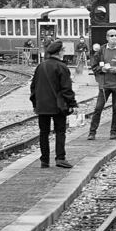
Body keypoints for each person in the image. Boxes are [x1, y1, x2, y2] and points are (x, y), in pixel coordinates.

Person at [32, 37, 77, 169]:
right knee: (60, 131)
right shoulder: (62, 67)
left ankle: (44, 160)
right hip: (57, 106)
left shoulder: (41, 66)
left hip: (42, 106)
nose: (64, 52)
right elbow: (66, 88)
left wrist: (35, 103)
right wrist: (72, 104)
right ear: (59, 52)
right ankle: (60, 158)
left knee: (43, 133)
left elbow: (33, 87)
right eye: (63, 50)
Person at [89, 28, 116, 139]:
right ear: (107, 38)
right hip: (104, 85)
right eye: (111, 36)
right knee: (98, 108)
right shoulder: (101, 51)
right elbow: (94, 66)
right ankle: (92, 132)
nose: (114, 38)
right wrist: (102, 70)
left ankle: (113, 131)